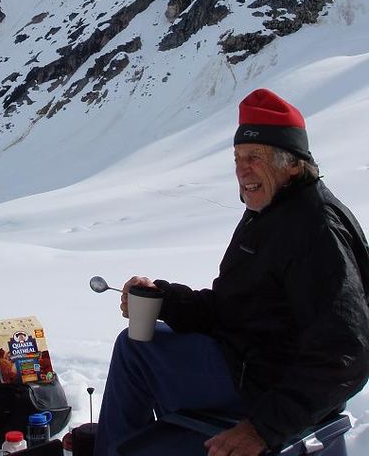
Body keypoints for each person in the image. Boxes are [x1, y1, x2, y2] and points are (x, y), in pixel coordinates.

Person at [94, 88, 369, 456]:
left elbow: (346, 354)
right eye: (238, 158)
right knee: (135, 345)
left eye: (255, 157)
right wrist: (165, 300)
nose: (242, 170)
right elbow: (234, 307)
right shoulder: (272, 210)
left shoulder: (315, 231)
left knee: (135, 355)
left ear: (293, 164)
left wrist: (262, 430)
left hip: (265, 385)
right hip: (245, 361)